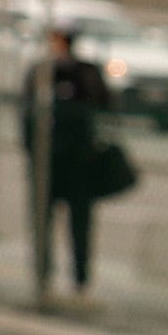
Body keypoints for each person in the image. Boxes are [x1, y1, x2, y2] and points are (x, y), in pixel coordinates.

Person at [34, 28, 115, 300]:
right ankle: (43, 275)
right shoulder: (41, 72)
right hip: (49, 163)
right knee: (43, 223)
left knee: (80, 226)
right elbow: (27, 112)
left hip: (80, 164)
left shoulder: (85, 72)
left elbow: (105, 102)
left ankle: (80, 279)